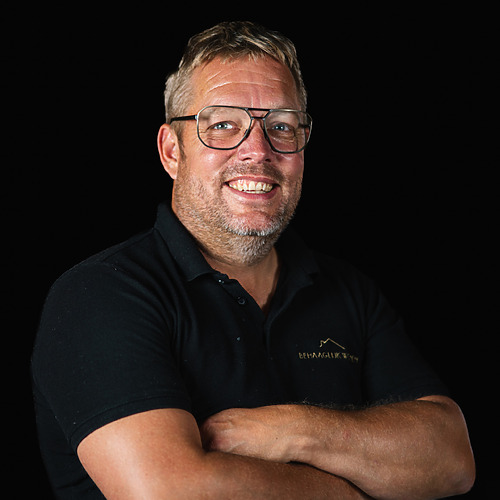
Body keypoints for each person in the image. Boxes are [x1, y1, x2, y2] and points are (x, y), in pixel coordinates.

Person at [32, 21, 475, 499]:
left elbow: (451, 460)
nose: (258, 151)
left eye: (281, 126)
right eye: (223, 125)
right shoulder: (102, 294)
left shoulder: (349, 291)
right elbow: (170, 491)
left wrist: (293, 429)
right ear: (171, 151)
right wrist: (362, 487)